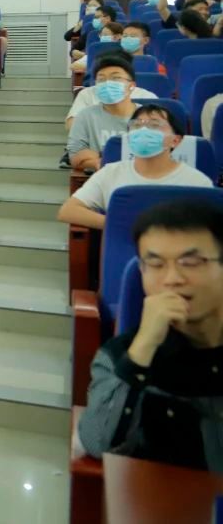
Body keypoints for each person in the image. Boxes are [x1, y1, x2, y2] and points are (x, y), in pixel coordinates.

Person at [77, 201, 223, 471]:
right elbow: (97, 443)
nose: (172, 278)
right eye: (155, 264)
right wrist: (143, 348)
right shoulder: (122, 354)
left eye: (191, 262)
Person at [58, 105, 213, 231]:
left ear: (175, 140)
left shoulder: (196, 181)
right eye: (137, 125)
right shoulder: (111, 172)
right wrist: (119, 225)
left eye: (154, 125)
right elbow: (68, 210)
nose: (143, 131)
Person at [68, 55, 139, 173]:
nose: (107, 83)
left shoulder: (147, 117)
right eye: (101, 79)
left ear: (131, 86)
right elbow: (75, 156)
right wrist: (98, 162)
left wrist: (100, 155)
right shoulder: (85, 116)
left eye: (116, 78)